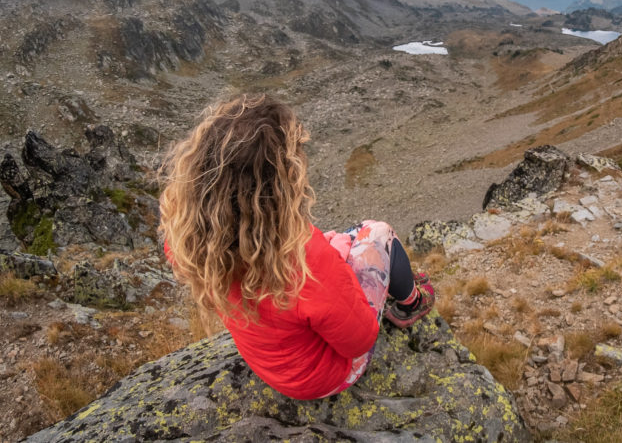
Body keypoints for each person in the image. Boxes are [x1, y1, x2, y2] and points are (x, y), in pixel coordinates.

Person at [159, 93, 434, 400]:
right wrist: (336, 268)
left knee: (336, 240)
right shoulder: (305, 259)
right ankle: (411, 304)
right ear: (279, 183)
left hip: (272, 367)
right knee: (378, 233)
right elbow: (360, 341)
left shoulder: (191, 242)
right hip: (324, 377)